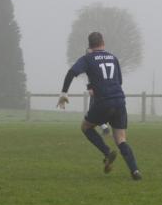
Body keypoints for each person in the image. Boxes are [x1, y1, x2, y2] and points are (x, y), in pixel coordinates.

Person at [57, 32, 142, 180]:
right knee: (121, 139)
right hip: (119, 100)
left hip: (103, 101)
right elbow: (119, 81)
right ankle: (135, 170)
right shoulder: (113, 58)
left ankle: (107, 152)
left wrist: (64, 93)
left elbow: (71, 73)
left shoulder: (87, 58)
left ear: (89, 45)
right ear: (103, 42)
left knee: (86, 127)